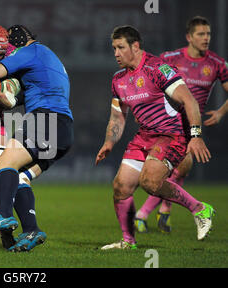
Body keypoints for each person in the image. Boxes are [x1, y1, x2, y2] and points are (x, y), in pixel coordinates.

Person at [95, 25, 214, 250]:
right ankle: (128, 242)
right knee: (121, 187)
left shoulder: (158, 68)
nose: (116, 53)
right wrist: (109, 142)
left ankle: (200, 209)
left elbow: (190, 100)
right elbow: (117, 117)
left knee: (149, 182)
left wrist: (196, 136)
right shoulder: (118, 79)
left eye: (120, 47)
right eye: (114, 48)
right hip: (144, 137)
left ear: (136, 46)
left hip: (171, 135)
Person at [0, 25, 74, 252]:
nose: (7, 50)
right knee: (20, 178)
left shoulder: (31, 51)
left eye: (9, 42)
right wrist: (8, 100)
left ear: (18, 39)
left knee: (5, 162)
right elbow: (22, 96)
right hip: (63, 129)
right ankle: (31, 229)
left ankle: (4, 216)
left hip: (45, 120)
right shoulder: (48, 58)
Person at [134, 16, 228, 234]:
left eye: (208, 34)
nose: (206, 38)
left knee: (181, 168)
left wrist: (222, 112)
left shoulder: (216, 63)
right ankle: (153, 213)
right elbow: (149, 78)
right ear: (189, 37)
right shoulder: (170, 57)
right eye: (201, 34)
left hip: (193, 125)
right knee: (174, 168)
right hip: (169, 123)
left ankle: (156, 212)